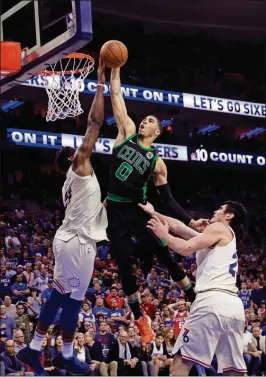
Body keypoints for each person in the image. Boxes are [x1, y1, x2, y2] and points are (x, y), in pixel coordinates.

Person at [17, 58, 108, 376]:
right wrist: (99, 84)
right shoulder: (79, 167)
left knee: (73, 300)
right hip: (74, 242)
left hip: (80, 242)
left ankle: (61, 353)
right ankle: (34, 349)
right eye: (79, 149)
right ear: (73, 158)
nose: (84, 149)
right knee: (62, 296)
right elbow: (95, 123)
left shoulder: (77, 181)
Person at [106, 66, 205, 343]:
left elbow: (168, 199)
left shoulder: (157, 163)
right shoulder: (125, 132)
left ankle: (193, 297)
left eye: (150, 121)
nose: (144, 122)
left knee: (164, 253)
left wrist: (189, 221)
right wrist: (114, 70)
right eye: (144, 119)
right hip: (115, 209)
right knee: (124, 264)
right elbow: (116, 96)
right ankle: (140, 318)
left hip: (138, 208)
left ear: (158, 132)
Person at [140, 200, 248, 375]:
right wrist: (153, 213)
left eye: (220, 209)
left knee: (180, 364)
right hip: (234, 306)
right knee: (233, 370)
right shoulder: (224, 236)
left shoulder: (219, 228)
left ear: (229, 216)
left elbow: (184, 248)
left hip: (211, 301)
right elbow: (181, 228)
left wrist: (164, 234)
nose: (215, 210)